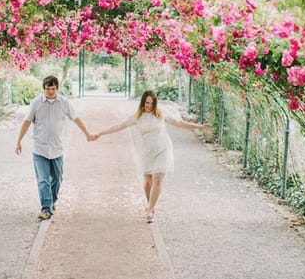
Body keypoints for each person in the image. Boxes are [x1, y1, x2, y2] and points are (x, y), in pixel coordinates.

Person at [92, 89, 206, 223]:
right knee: (147, 182)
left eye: (152, 103)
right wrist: (100, 133)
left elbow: (178, 123)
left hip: (162, 149)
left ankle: (150, 210)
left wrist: (197, 126)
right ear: (143, 102)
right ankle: (150, 204)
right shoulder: (136, 117)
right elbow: (119, 126)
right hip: (146, 152)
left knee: (157, 178)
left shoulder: (160, 114)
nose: (149, 106)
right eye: (147, 103)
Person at [15, 75, 96, 221]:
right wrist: (18, 141)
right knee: (43, 180)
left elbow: (76, 118)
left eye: (53, 89)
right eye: (47, 89)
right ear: (43, 89)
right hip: (39, 148)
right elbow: (26, 122)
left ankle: (52, 201)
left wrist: (87, 133)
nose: (50, 92)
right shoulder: (36, 103)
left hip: (57, 149)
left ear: (57, 88)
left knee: (57, 179)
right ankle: (46, 208)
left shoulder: (64, 103)